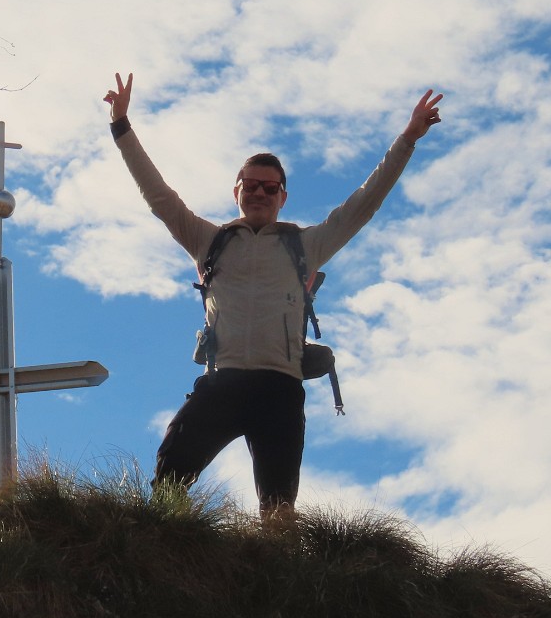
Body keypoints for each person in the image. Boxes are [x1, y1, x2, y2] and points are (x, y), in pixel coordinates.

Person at [103, 73, 443, 525]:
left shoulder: (305, 245)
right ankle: (165, 557)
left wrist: (408, 139)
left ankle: (276, 580)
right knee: (169, 475)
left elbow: (365, 202)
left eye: (269, 187)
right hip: (221, 383)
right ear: (237, 190)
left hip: (279, 388)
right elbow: (159, 196)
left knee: (279, 510)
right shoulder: (209, 240)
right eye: (251, 185)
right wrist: (122, 127)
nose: (259, 193)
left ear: (283, 196)